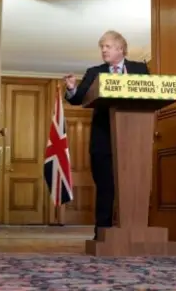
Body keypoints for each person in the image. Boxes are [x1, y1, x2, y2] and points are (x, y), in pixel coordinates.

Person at [64, 30, 149, 239]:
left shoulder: (140, 69)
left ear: (121, 49)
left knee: (134, 186)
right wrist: (72, 89)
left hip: (134, 138)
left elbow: (150, 94)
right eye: (102, 47)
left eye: (108, 46)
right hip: (103, 140)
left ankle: (134, 232)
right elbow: (77, 100)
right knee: (105, 187)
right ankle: (102, 233)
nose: (103, 50)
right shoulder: (94, 72)